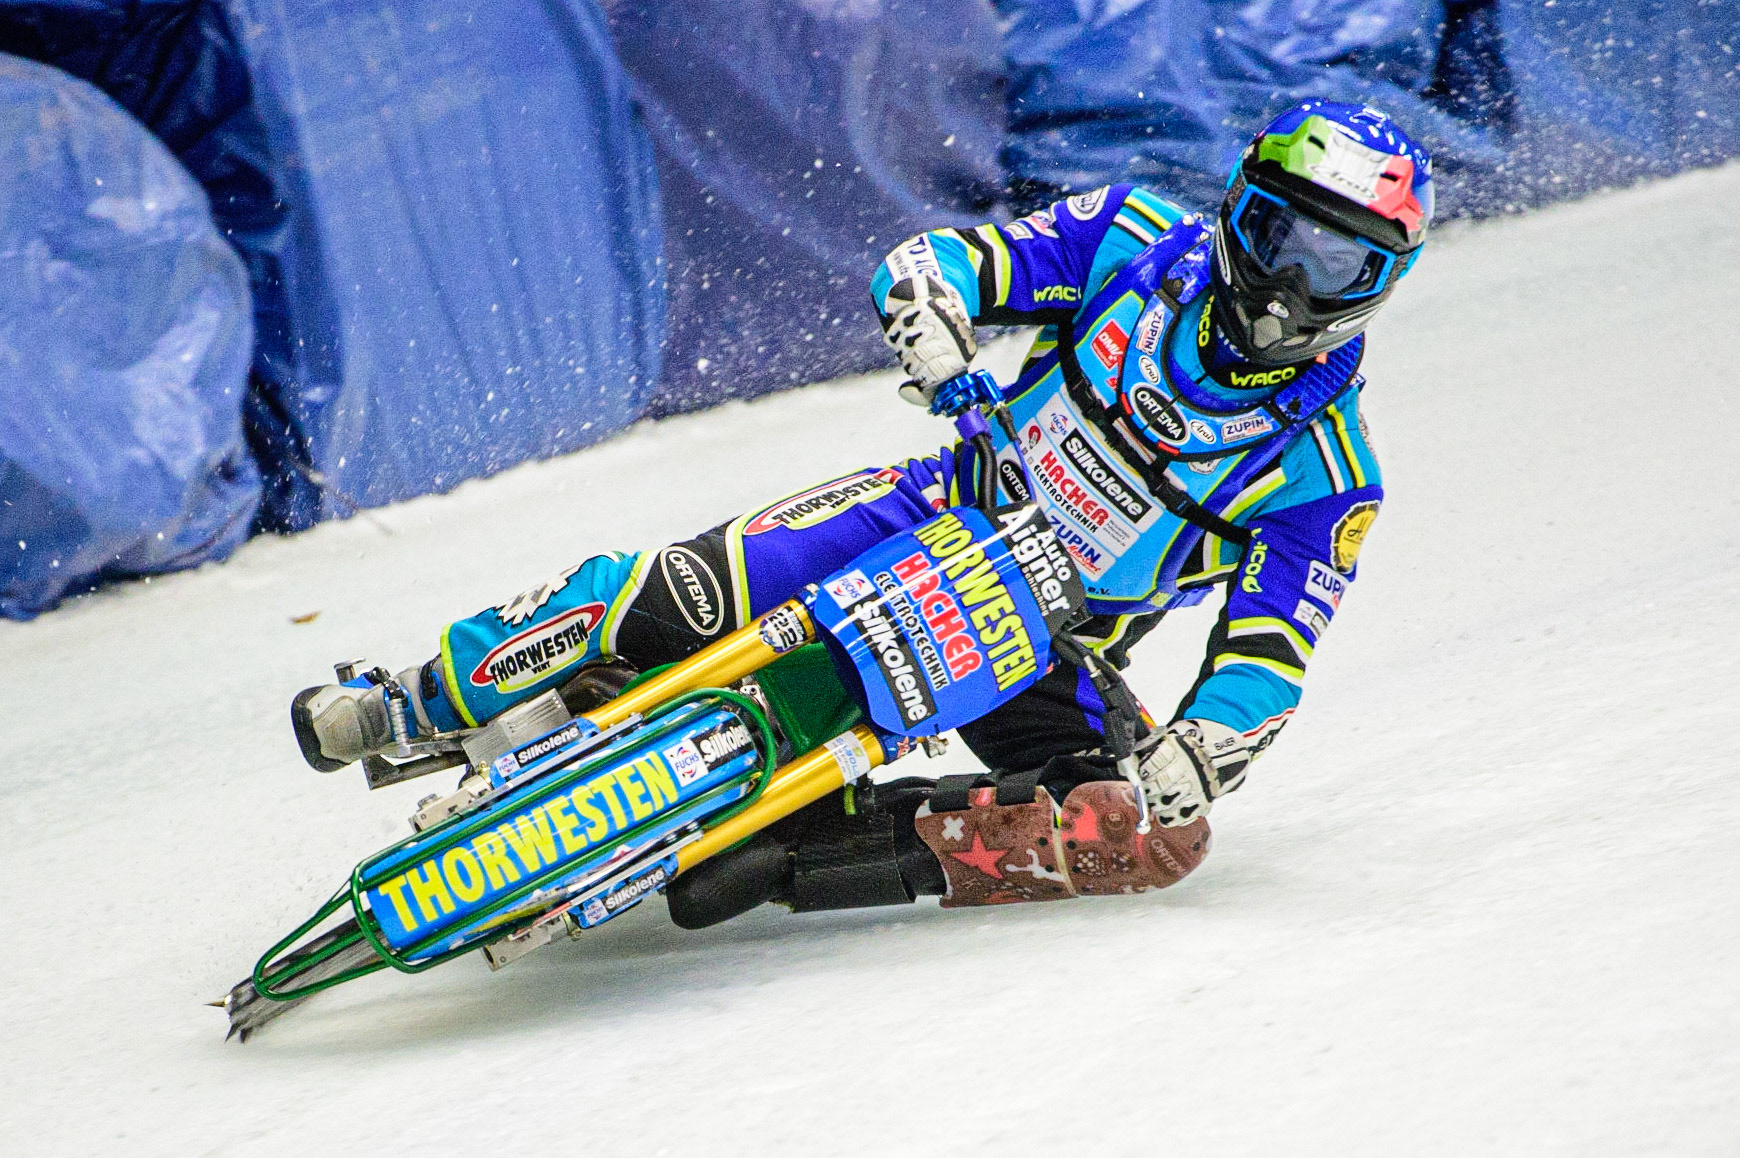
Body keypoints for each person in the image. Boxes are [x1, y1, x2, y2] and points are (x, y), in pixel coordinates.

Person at [291, 101, 1432, 920]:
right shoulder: (1130, 237)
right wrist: (936, 319)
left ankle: (799, 856)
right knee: (667, 592)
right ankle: (412, 696)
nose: (1294, 287)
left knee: (1139, 833)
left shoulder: (1332, 470)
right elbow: (939, 260)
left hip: (1043, 641)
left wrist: (1208, 740)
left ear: (1382, 286)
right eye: (1286, 237)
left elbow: (1274, 648)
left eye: (1343, 267)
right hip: (925, 513)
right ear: (1240, 209)